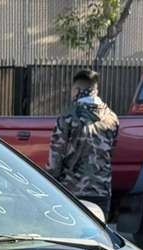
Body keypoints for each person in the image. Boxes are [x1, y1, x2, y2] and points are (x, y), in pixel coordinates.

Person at [48, 69, 120, 216]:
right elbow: (111, 152)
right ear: (96, 90)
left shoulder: (68, 117)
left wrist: (49, 185)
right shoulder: (112, 118)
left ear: (76, 90)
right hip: (102, 191)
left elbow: (55, 159)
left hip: (72, 191)